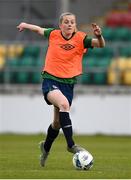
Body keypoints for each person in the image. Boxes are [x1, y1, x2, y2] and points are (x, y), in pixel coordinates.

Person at [17, 12, 105, 167]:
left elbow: (101, 45)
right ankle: (71, 145)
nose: (69, 24)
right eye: (66, 22)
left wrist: (98, 36)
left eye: (72, 22)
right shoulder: (53, 34)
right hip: (50, 80)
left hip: (68, 84)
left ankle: (45, 148)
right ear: (60, 25)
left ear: (75, 25)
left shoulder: (81, 39)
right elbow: (38, 29)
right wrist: (25, 25)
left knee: (57, 124)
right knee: (64, 105)